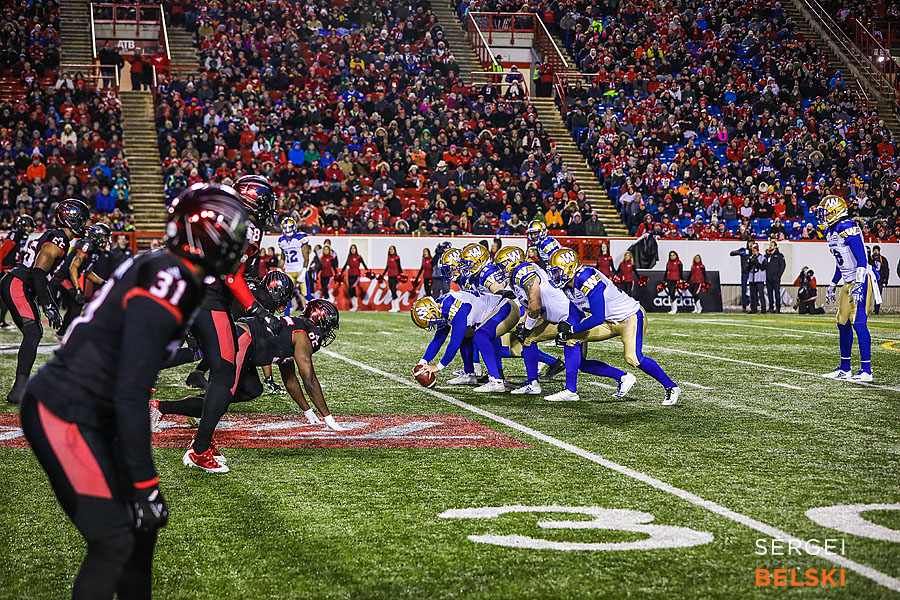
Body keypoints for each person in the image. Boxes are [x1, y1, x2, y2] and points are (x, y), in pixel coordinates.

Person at [19, 183, 249, 599]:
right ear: (208, 235)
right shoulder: (172, 278)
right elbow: (130, 388)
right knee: (115, 539)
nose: (239, 240)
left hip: (92, 404)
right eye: (231, 230)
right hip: (67, 408)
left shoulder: (170, 270)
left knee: (142, 531)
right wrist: (144, 483)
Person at [157, 299, 345, 470]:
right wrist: (329, 418)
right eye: (328, 323)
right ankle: (199, 449)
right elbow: (309, 379)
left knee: (252, 389)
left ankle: (169, 408)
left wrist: (308, 412)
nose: (329, 329)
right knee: (223, 395)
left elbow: (290, 378)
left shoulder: (296, 330)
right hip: (242, 338)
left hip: (247, 344)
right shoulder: (303, 335)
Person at [183, 177, 283, 473]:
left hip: (200, 293)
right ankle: (199, 449)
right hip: (209, 297)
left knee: (224, 372)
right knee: (225, 374)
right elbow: (231, 274)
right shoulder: (245, 225)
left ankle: (202, 441)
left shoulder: (225, 215)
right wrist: (257, 309)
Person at [549, 248, 679, 405]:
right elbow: (576, 308)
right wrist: (569, 328)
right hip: (608, 321)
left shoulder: (586, 278)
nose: (554, 276)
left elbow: (597, 317)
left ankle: (671, 387)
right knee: (571, 341)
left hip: (630, 317)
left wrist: (572, 329)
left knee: (633, 358)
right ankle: (571, 390)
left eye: (557, 271)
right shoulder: (567, 285)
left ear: (570, 268)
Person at [0, 199, 91, 404]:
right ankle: (19, 390)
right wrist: (47, 304)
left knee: (34, 333)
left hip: (19, 284)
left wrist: (48, 301)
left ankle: (20, 388)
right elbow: (39, 272)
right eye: (82, 221)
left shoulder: (58, 237)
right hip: (17, 283)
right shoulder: (59, 238)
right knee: (33, 333)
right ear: (71, 220)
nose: (85, 225)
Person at [819, 196, 879, 382]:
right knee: (842, 323)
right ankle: (845, 369)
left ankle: (866, 371)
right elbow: (842, 263)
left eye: (826, 212)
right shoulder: (832, 231)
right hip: (847, 281)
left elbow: (862, 259)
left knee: (859, 323)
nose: (823, 215)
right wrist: (832, 283)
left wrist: (860, 284)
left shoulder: (847, 227)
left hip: (860, 279)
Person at [49, 223, 111, 337]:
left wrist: (103, 283)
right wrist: (78, 289)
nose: (106, 240)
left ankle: (62, 332)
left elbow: (87, 272)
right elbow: (73, 267)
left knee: (76, 305)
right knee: (77, 303)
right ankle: (67, 333)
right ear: (96, 236)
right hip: (61, 277)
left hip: (68, 278)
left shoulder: (95, 250)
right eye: (104, 237)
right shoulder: (87, 244)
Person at [0, 215, 35, 328]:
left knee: (5, 296)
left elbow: (17, 253)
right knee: (5, 296)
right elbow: (3, 251)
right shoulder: (15, 234)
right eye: (28, 227)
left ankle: (2, 320)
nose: (30, 229)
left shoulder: (21, 236)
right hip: (4, 267)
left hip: (9, 267)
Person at [277, 217, 310, 312]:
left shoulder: (301, 238)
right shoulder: (281, 241)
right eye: (285, 228)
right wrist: (279, 270)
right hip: (289, 271)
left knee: (306, 294)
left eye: (289, 228)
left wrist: (304, 271)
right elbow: (282, 258)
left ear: (294, 227)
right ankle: (286, 318)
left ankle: (322, 309)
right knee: (287, 296)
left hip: (300, 270)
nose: (287, 230)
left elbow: (306, 257)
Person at [339, 244, 367, 311]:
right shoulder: (349, 257)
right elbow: (345, 265)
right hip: (350, 274)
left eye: (354, 248)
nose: (353, 250)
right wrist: (340, 273)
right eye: (351, 249)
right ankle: (355, 306)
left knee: (352, 288)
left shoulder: (359, 257)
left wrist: (368, 271)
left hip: (356, 274)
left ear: (356, 249)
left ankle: (356, 306)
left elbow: (364, 264)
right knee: (350, 289)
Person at [729, 240, 755, 312]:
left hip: (752, 273)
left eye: (752, 243)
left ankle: (753, 305)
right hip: (744, 272)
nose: (751, 245)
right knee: (744, 289)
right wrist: (740, 253)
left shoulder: (754, 252)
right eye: (750, 243)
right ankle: (744, 306)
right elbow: (731, 253)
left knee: (753, 289)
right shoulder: (743, 250)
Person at [765, 241, 786, 313]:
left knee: (777, 293)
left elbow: (782, 266)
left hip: (776, 277)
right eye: (769, 245)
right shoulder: (767, 255)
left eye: (772, 245)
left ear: (775, 247)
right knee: (769, 293)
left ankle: (778, 307)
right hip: (768, 277)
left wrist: (778, 275)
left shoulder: (779, 255)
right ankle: (771, 307)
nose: (770, 246)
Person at [747, 243, 768, 314]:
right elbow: (747, 268)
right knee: (753, 295)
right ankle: (753, 308)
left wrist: (757, 263)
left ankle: (763, 308)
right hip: (752, 279)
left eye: (755, 251)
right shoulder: (750, 258)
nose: (753, 252)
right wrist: (750, 264)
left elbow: (763, 267)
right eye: (753, 251)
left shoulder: (762, 258)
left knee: (761, 295)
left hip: (759, 279)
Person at [381, 245, 402, 312]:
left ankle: (397, 307)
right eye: (390, 249)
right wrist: (383, 274)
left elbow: (399, 266)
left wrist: (401, 275)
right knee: (392, 291)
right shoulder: (389, 258)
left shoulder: (397, 258)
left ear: (394, 250)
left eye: (392, 249)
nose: (391, 251)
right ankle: (394, 307)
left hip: (395, 276)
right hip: (390, 276)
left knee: (393, 290)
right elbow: (387, 267)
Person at [869, 245, 890, 314]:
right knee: (867, 295)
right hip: (870, 280)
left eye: (877, 250)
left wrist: (885, 280)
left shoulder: (883, 260)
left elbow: (886, 270)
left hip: (879, 281)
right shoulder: (869, 259)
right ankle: (866, 309)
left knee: (878, 296)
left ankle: (876, 310)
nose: (876, 252)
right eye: (875, 250)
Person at [664, 251, 683, 315]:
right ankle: (672, 308)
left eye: (673, 255)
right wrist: (664, 280)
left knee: (672, 293)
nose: (672, 257)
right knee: (670, 293)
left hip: (676, 279)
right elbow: (666, 271)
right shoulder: (668, 263)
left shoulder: (679, 262)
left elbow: (681, 271)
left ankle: (675, 309)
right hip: (669, 279)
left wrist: (681, 280)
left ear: (676, 256)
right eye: (671, 255)